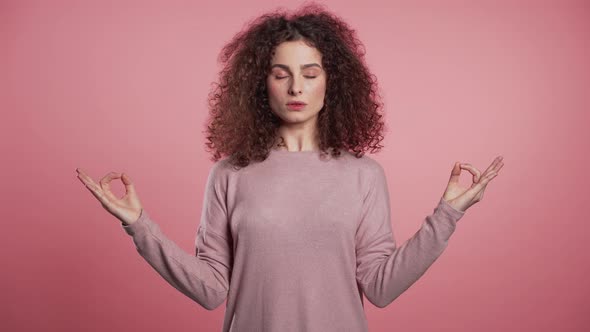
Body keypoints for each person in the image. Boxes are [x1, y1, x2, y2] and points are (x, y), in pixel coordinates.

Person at [76, 3, 504, 331]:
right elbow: (210, 290)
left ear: (331, 82)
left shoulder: (363, 175)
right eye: (281, 74)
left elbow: (381, 286)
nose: (296, 86)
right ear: (261, 85)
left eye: (310, 73)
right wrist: (138, 224)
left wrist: (447, 215)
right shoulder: (229, 174)